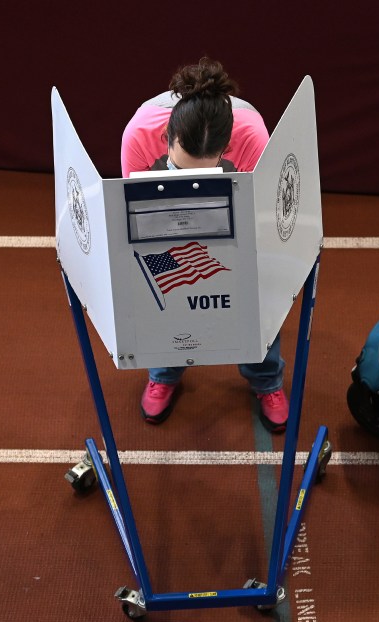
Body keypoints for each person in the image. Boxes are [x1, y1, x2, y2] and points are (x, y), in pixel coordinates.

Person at [120, 56, 289, 432]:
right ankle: (164, 372)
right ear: (167, 138)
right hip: (163, 217)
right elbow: (132, 210)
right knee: (162, 286)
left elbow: (258, 220)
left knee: (255, 286)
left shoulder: (252, 136)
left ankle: (267, 380)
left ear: (227, 148)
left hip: (229, 211)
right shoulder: (139, 134)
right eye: (180, 166)